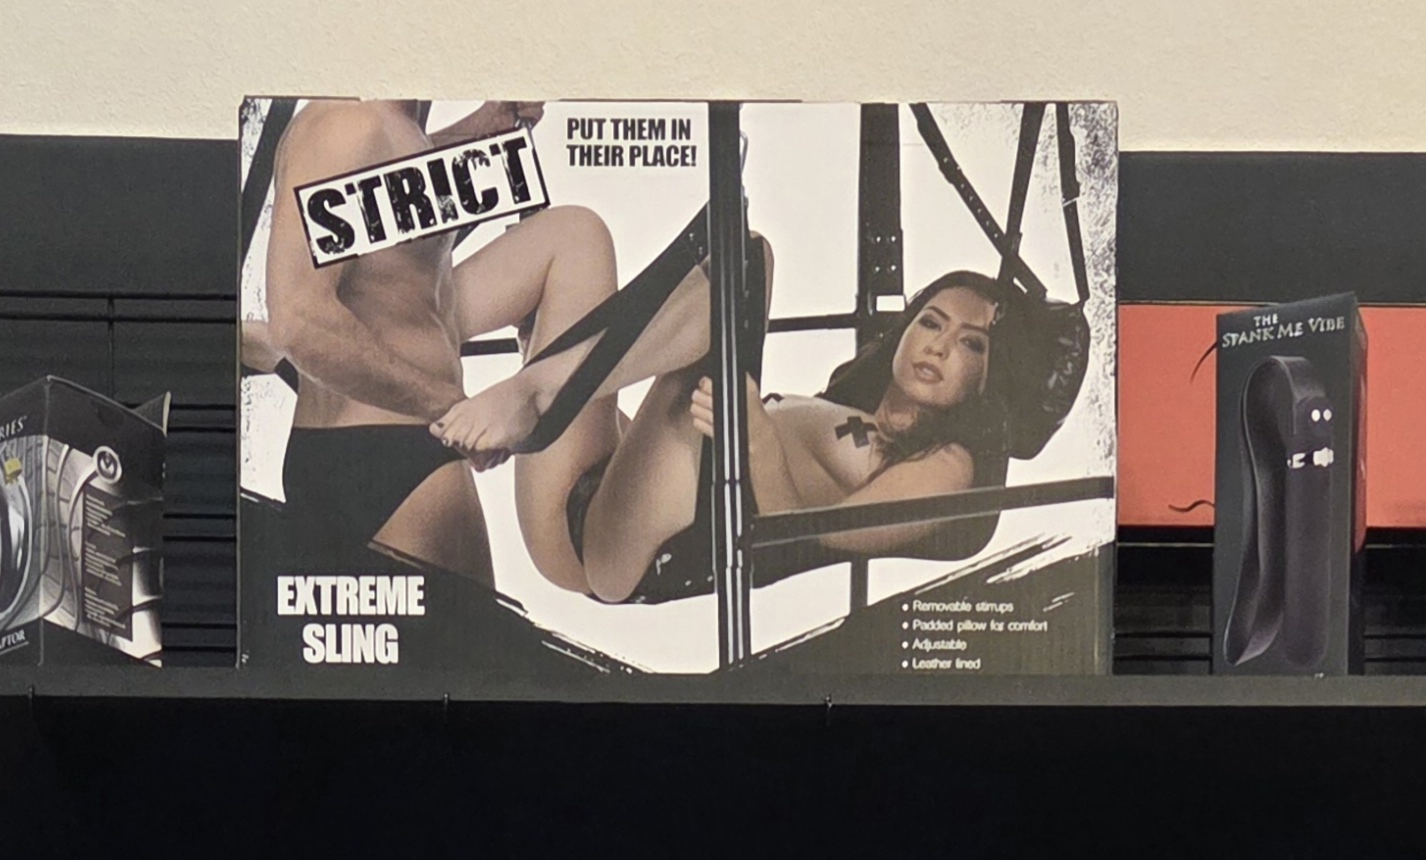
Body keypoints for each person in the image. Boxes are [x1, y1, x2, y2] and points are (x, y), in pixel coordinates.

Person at [431, 233, 1014, 606]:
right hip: (606, 491)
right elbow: (679, 452)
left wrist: (758, 441)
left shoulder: (950, 465)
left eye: (972, 344)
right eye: (931, 322)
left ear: (990, 377)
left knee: (745, 263)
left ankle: (542, 393)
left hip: (634, 554)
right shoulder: (851, 406)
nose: (939, 346)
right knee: (577, 240)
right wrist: (594, 408)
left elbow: (811, 547)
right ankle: (404, 339)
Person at [252, 99, 558, 586]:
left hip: (376, 450)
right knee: (468, 638)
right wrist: (452, 409)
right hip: (402, 450)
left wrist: (482, 128)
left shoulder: (396, 128)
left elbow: (387, 217)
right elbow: (299, 320)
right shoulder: (344, 124)